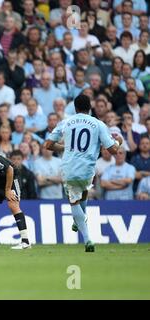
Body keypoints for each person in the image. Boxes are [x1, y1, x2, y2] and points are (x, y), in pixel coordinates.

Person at [44, 94, 123, 252]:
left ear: (75, 108)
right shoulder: (97, 124)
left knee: (74, 200)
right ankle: (79, 219)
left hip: (69, 167)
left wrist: (64, 147)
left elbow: (48, 144)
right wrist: (119, 141)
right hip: (88, 169)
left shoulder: (66, 122)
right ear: (90, 107)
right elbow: (113, 150)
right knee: (83, 192)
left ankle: (87, 239)